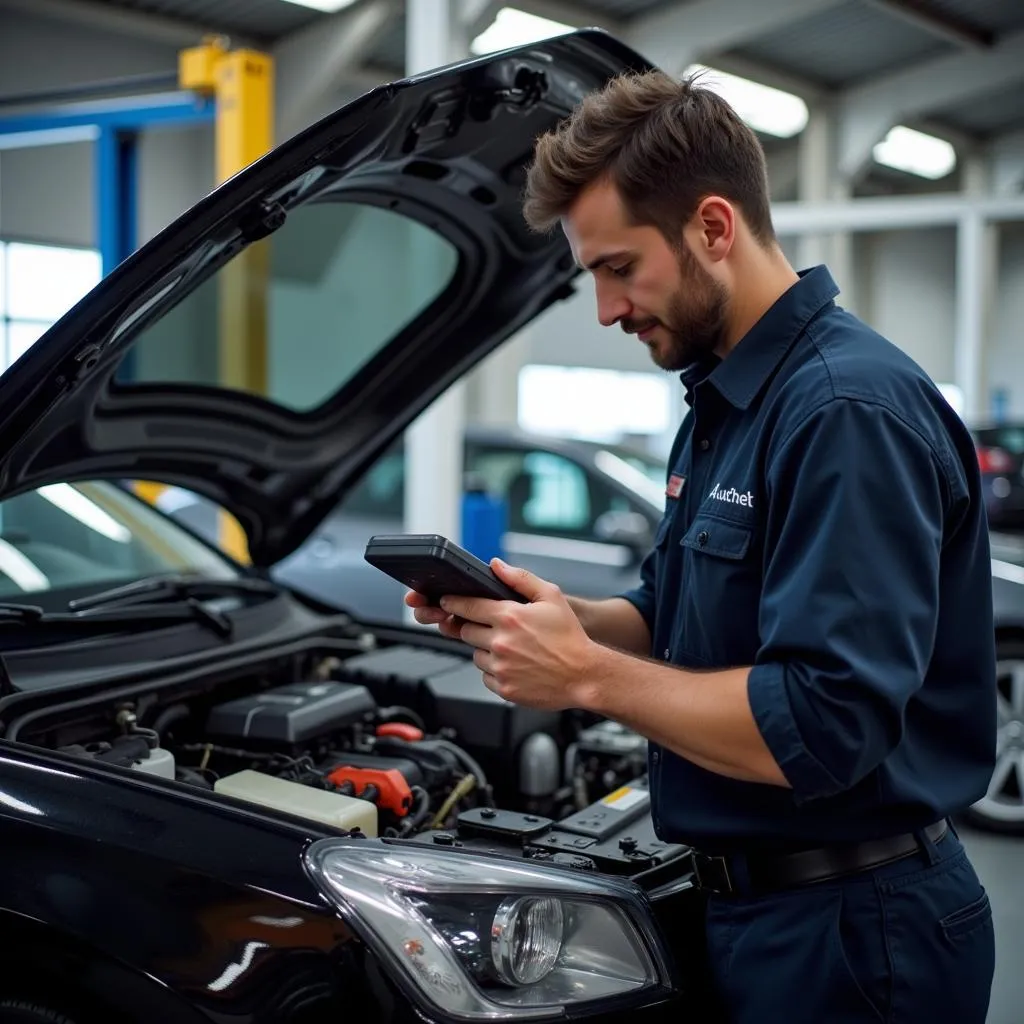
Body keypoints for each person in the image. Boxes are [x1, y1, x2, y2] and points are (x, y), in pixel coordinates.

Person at [406, 69, 997, 1024]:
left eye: (617, 267)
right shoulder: (726, 399)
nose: (606, 309)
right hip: (753, 909)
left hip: (852, 936)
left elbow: (824, 721)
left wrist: (587, 678)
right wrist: (555, 621)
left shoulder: (844, 411)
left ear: (713, 229)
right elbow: (668, 616)